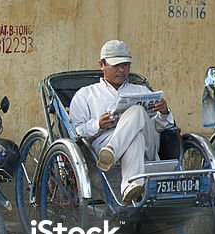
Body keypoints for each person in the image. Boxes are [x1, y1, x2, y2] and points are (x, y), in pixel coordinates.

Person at [67, 39, 174, 204]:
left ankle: (112, 151)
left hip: (145, 147)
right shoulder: (86, 95)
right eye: (116, 65)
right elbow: (75, 132)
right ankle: (131, 186)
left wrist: (164, 112)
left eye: (125, 65)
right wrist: (97, 124)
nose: (122, 70)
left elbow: (159, 127)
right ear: (102, 64)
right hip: (103, 143)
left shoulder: (141, 91)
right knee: (135, 138)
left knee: (137, 111)